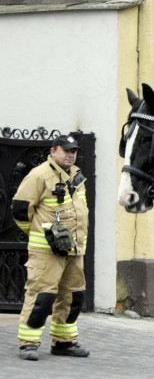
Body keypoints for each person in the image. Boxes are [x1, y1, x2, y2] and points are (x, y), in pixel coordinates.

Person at [12, 134, 90, 360]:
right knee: (41, 297)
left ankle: (63, 343)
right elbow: (20, 210)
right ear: (53, 151)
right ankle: (28, 343)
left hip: (74, 249)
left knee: (73, 297)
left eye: (73, 151)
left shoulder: (77, 176)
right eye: (66, 150)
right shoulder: (39, 175)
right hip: (46, 251)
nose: (71, 154)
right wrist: (40, 232)